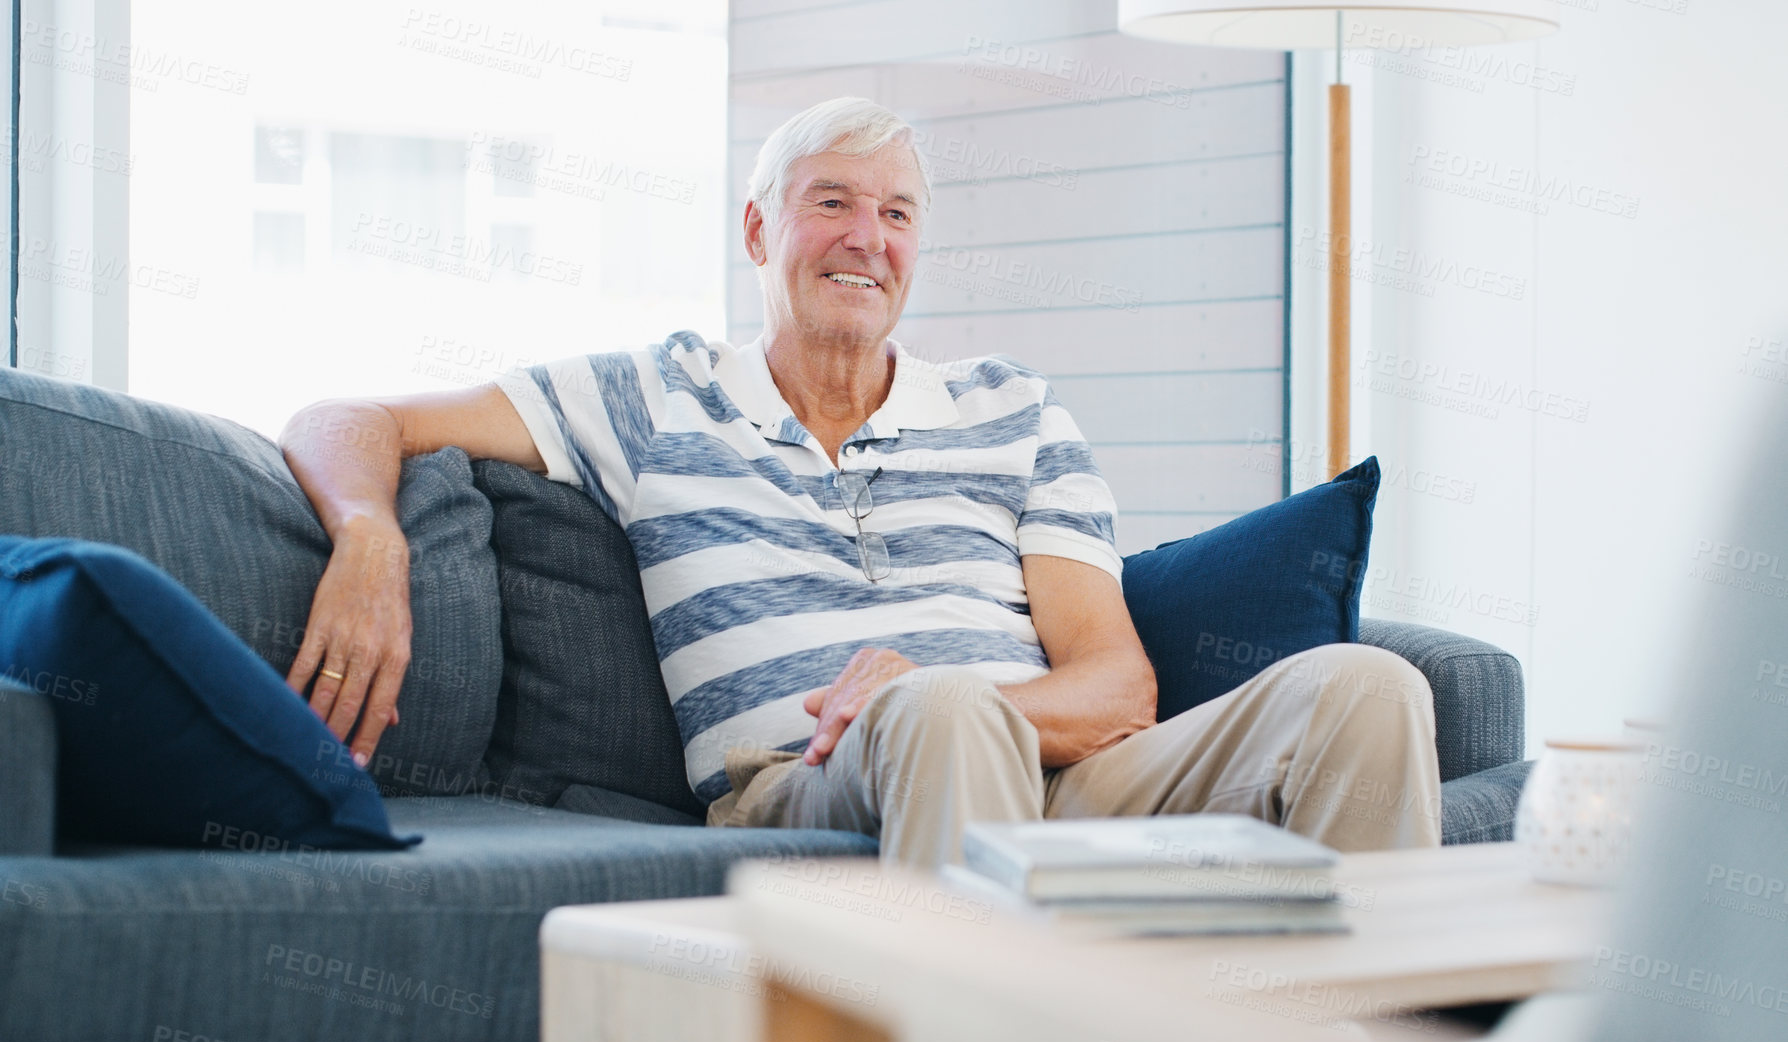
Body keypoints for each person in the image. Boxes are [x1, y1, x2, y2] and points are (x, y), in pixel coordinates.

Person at [278, 97, 1441, 866]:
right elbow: (350, 416)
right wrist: (372, 538)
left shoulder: (1014, 411)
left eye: (895, 214)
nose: (865, 238)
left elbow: (1117, 691)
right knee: (930, 712)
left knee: (1367, 689)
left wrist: (949, 696)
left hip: (1052, 780)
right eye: (830, 201)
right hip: (809, 784)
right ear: (756, 230)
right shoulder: (653, 396)